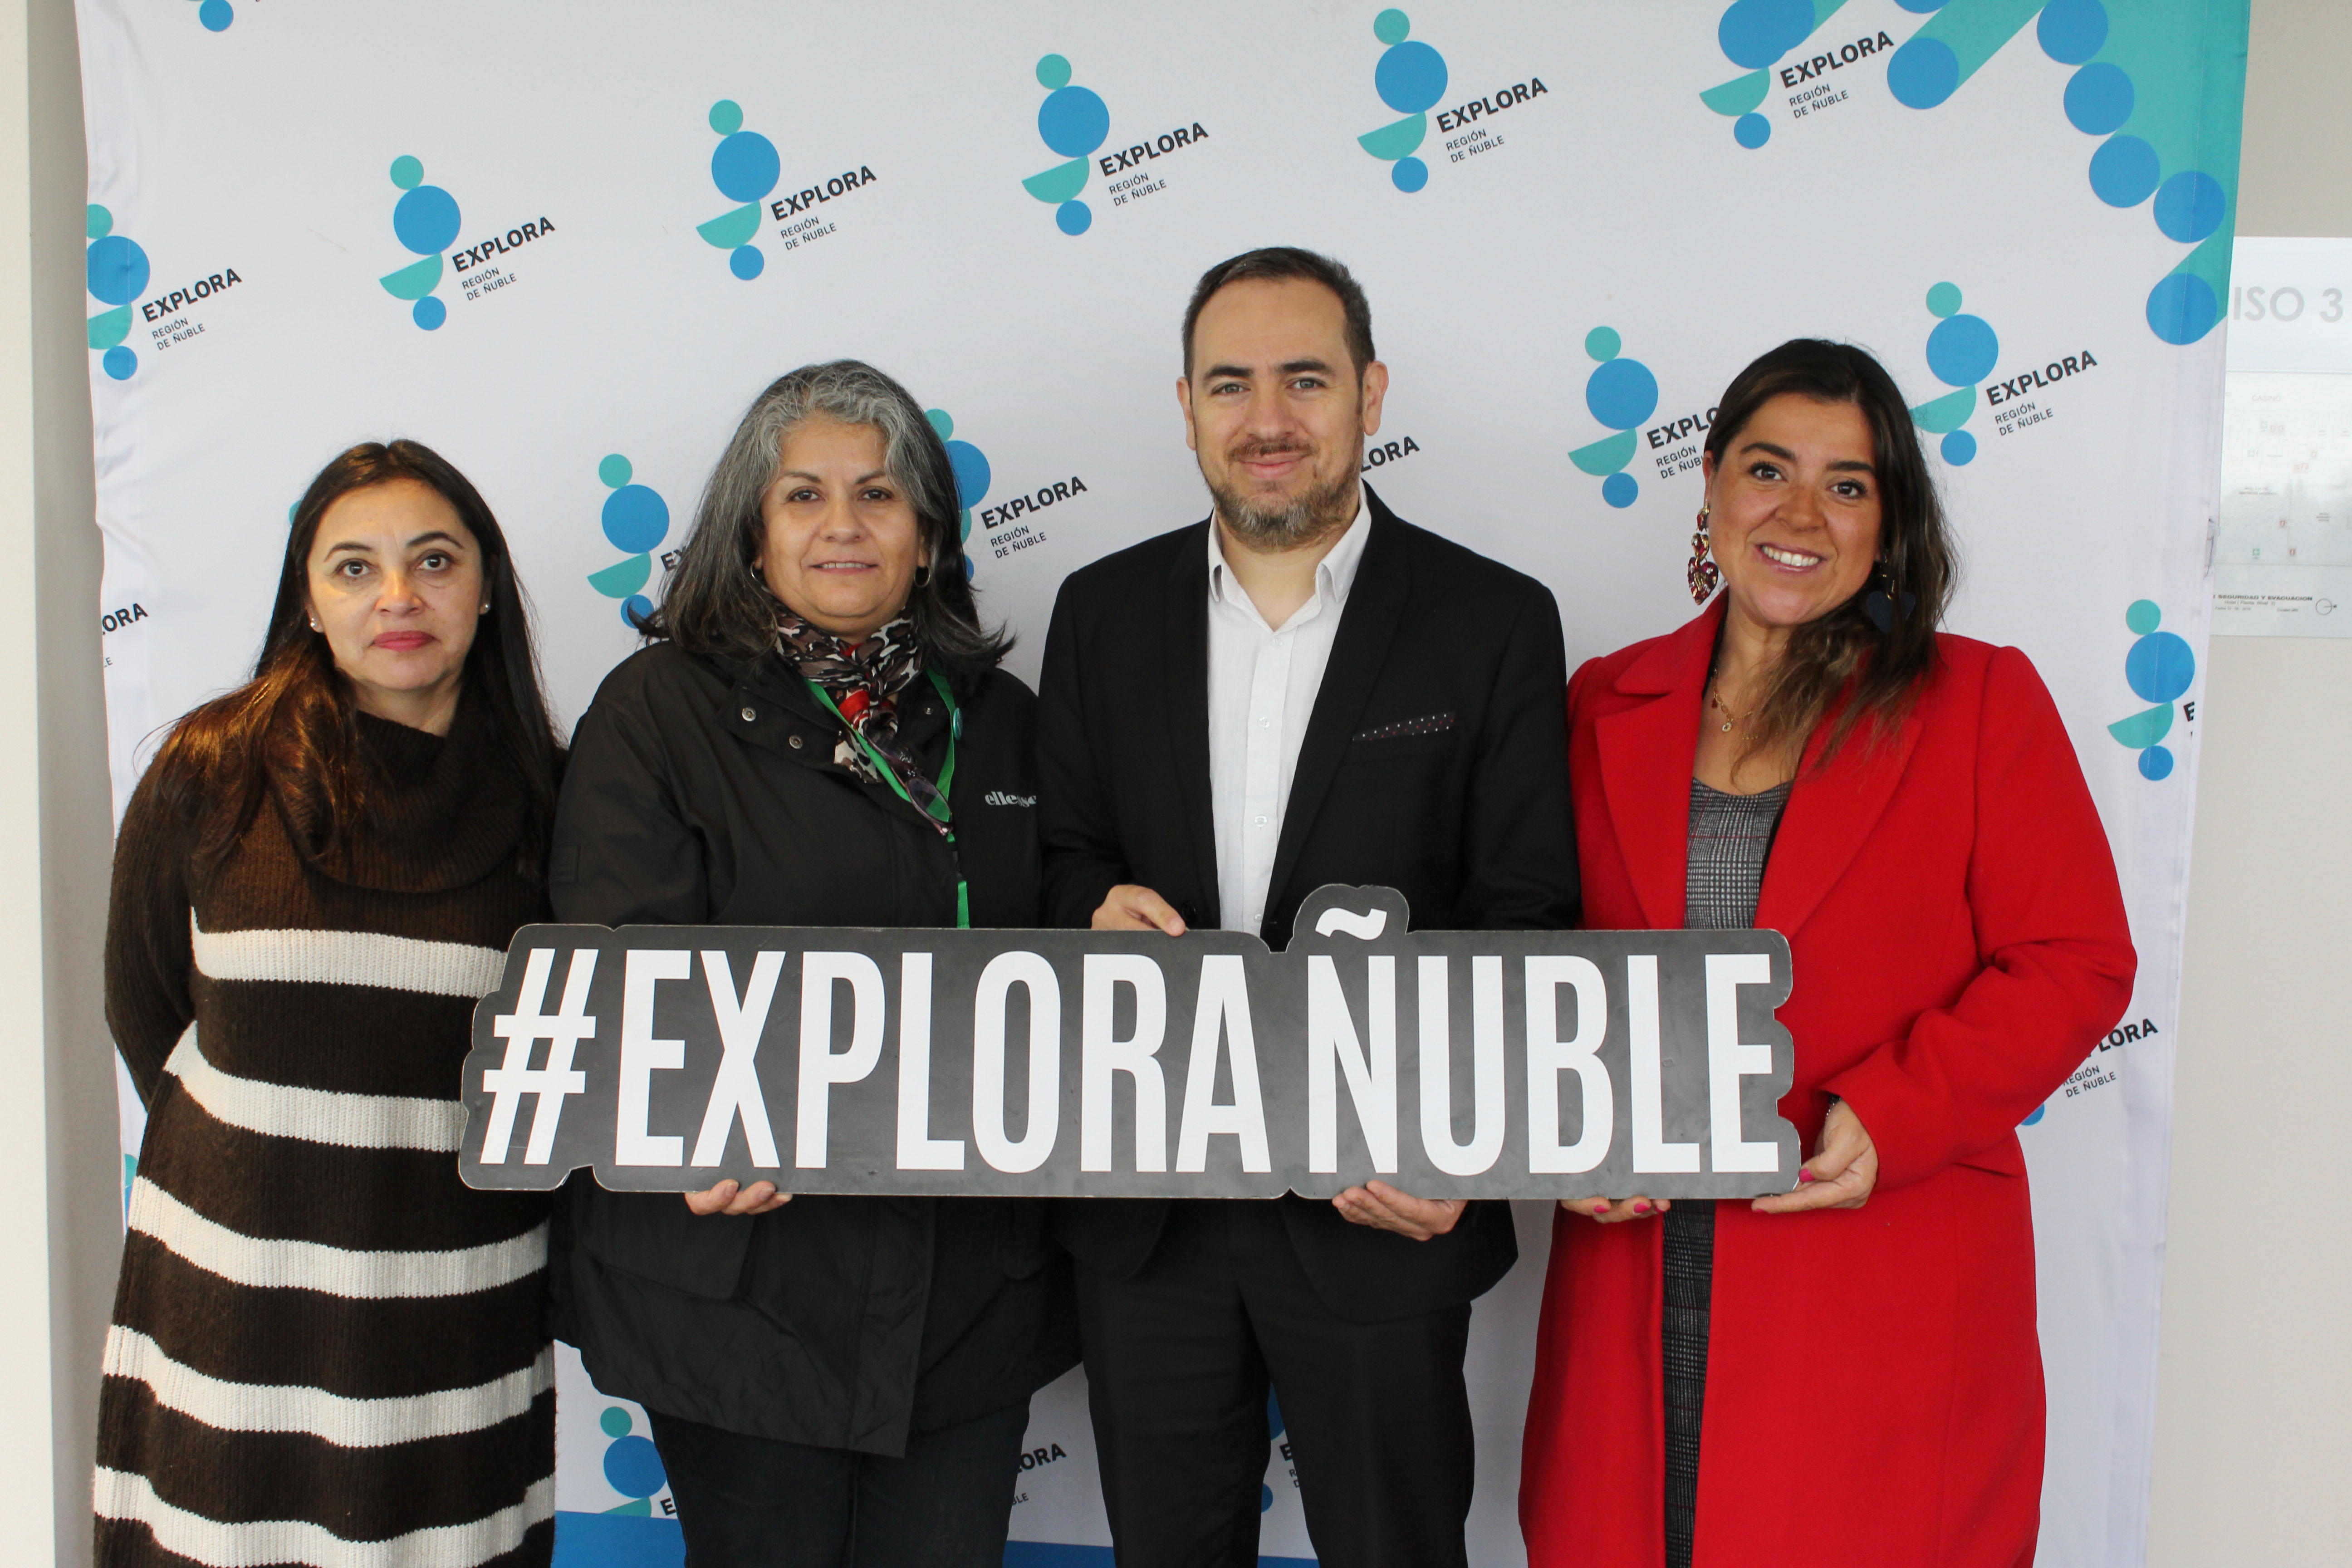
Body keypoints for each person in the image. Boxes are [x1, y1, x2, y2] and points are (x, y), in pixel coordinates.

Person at [1519, 339, 2139, 1568]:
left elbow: (2075, 959)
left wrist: (1897, 1113)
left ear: (1889, 521)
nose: (1800, 515)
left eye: (1847, 485)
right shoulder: (1600, 702)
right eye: (1769, 470)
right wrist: (1561, 1128)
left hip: (1873, 1287)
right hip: (1638, 1282)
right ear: (1710, 482)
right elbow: (1537, 961)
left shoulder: (1981, 702)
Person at [1035, 246, 1579, 1568]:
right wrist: (1089, 907)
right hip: (1151, 1209)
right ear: (1187, 407)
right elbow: (1055, 860)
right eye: (1231, 384)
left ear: (1371, 394)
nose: (1267, 418)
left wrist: (1461, 1150)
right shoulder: (1100, 613)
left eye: (1306, 380)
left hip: (1382, 1198)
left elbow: (1524, 913)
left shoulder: (1493, 620)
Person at [544, 360, 1077, 1568]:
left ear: (929, 538)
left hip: (965, 1300)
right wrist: (681, 1123)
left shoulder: (1005, 721)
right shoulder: (655, 711)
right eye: (804, 495)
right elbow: (618, 966)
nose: (844, 524)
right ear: (753, 532)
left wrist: (1103, 912)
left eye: (879, 494)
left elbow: (1056, 930)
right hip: (738, 1292)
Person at [96, 441, 567, 1566]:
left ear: (486, 586)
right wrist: (281, 1165)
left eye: (434, 560)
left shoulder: (560, 797)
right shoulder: (211, 768)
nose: (398, 595)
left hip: (450, 1318)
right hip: (232, 1310)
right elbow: (145, 1005)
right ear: (307, 601)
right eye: (354, 568)